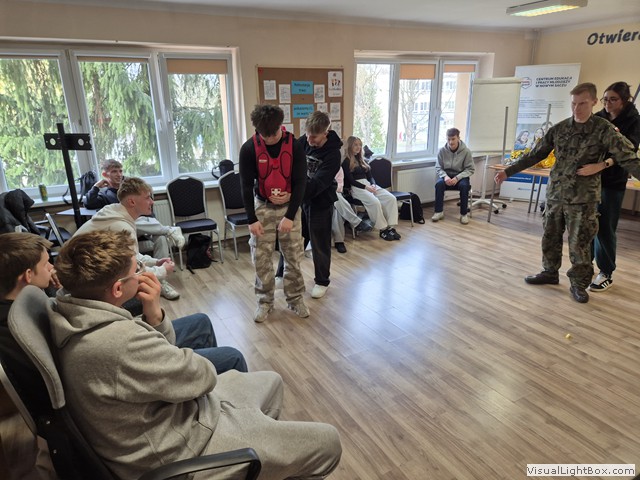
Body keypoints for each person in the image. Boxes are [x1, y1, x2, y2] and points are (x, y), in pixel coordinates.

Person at [50, 230, 341, 480]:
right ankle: (257, 451)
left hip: (178, 420)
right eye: (135, 270)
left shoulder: (78, 316)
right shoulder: (117, 341)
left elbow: (163, 359)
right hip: (182, 451)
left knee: (272, 381)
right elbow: (201, 376)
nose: (141, 274)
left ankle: (264, 452)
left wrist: (154, 315)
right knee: (327, 442)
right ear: (117, 289)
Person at [494, 82, 640, 304]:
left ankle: (579, 284)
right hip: (556, 194)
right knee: (550, 236)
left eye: (582, 104)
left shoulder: (604, 129)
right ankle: (549, 272)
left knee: (580, 243)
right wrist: (508, 172)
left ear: (593, 102)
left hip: (583, 198)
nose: (577, 109)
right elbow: (535, 154)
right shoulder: (560, 128)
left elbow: (628, 157)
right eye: (573, 103)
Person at [239, 104, 309, 323]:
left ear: (281, 126)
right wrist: (251, 219)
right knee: (261, 258)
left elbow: (301, 182)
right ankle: (265, 302)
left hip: (289, 207)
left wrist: (290, 214)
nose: (270, 139)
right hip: (263, 207)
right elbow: (245, 186)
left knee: (293, 255)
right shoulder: (249, 149)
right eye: (265, 135)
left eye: (274, 134)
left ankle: (295, 299)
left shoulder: (295, 146)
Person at [0, 232, 58, 480]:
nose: (52, 267)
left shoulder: (14, 310)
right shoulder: (21, 328)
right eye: (46, 264)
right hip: (66, 412)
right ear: (27, 276)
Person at [576, 81, 640, 292]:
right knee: (587, 225)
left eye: (613, 99)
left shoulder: (634, 121)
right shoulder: (599, 118)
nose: (608, 103)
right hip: (591, 180)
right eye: (605, 99)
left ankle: (606, 272)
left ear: (625, 101)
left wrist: (603, 164)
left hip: (613, 181)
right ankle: (585, 266)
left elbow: (628, 151)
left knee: (605, 227)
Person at [75, 176, 182, 300]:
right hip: (81, 281)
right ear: (132, 202)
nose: (152, 202)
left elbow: (133, 257)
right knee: (137, 287)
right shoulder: (121, 226)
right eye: (147, 197)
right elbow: (134, 270)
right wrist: (162, 271)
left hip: (81, 273)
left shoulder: (114, 211)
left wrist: (156, 262)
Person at [84, 159, 185, 262]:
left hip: (145, 224)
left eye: (120, 171)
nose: (119, 174)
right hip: (125, 226)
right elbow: (88, 203)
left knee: (161, 238)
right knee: (132, 220)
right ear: (105, 174)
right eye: (114, 171)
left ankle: (161, 268)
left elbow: (147, 203)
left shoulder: (132, 188)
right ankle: (169, 230)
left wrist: (150, 218)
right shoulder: (104, 195)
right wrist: (96, 186)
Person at [299, 111, 342, 298]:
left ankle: (322, 281)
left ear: (325, 133)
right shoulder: (303, 141)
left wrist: (294, 191)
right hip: (302, 201)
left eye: (314, 137)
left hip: (321, 202)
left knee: (320, 244)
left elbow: (318, 184)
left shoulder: (333, 154)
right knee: (293, 240)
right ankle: (281, 274)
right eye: (307, 135)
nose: (309, 140)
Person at [342, 136, 401, 241]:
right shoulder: (346, 162)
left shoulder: (363, 160)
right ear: (350, 146)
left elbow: (370, 177)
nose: (358, 147)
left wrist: (373, 185)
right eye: (355, 145)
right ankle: (383, 229)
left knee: (391, 198)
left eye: (360, 145)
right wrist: (366, 187)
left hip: (369, 184)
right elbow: (351, 181)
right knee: (375, 202)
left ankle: (391, 227)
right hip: (357, 187)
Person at [432, 127, 475, 225]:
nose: (450, 142)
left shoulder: (466, 151)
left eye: (453, 139)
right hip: (446, 176)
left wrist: (457, 178)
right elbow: (438, 167)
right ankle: (439, 212)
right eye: (448, 139)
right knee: (439, 185)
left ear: (458, 138)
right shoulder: (442, 151)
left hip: (461, 176)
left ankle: (464, 214)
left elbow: (470, 169)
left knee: (464, 186)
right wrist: (445, 176)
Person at [332, 167, 373, 254]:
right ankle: (356, 222)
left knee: (337, 210)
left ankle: (339, 241)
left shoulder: (338, 168)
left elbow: (340, 187)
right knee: (335, 196)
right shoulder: (314, 165)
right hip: (319, 196)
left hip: (335, 197)